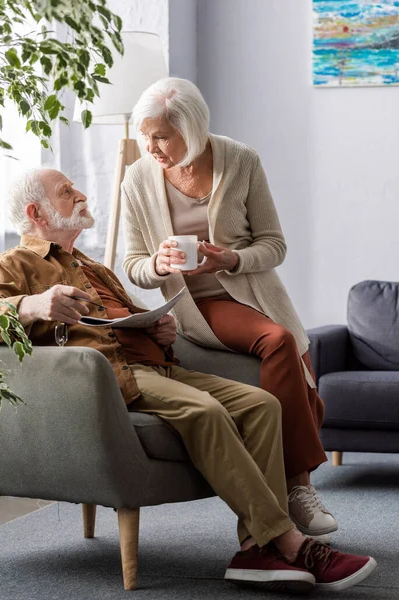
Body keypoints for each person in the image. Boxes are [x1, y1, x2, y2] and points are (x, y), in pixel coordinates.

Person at [0, 168, 376, 593]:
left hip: (158, 365)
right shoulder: (16, 264)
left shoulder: (92, 266)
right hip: (114, 377)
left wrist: (157, 328)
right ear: (36, 212)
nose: (81, 195)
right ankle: (288, 541)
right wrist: (31, 304)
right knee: (206, 411)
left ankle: (254, 546)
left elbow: (123, 317)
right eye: (66, 192)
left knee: (262, 404)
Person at [121, 76, 334, 540]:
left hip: (253, 295)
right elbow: (132, 264)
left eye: (162, 136)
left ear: (192, 129)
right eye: (146, 135)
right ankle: (298, 485)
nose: (152, 147)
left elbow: (274, 245)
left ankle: (290, 490)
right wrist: (156, 265)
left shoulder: (240, 160)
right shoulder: (138, 177)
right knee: (280, 342)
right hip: (195, 306)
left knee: (289, 352)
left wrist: (232, 259)